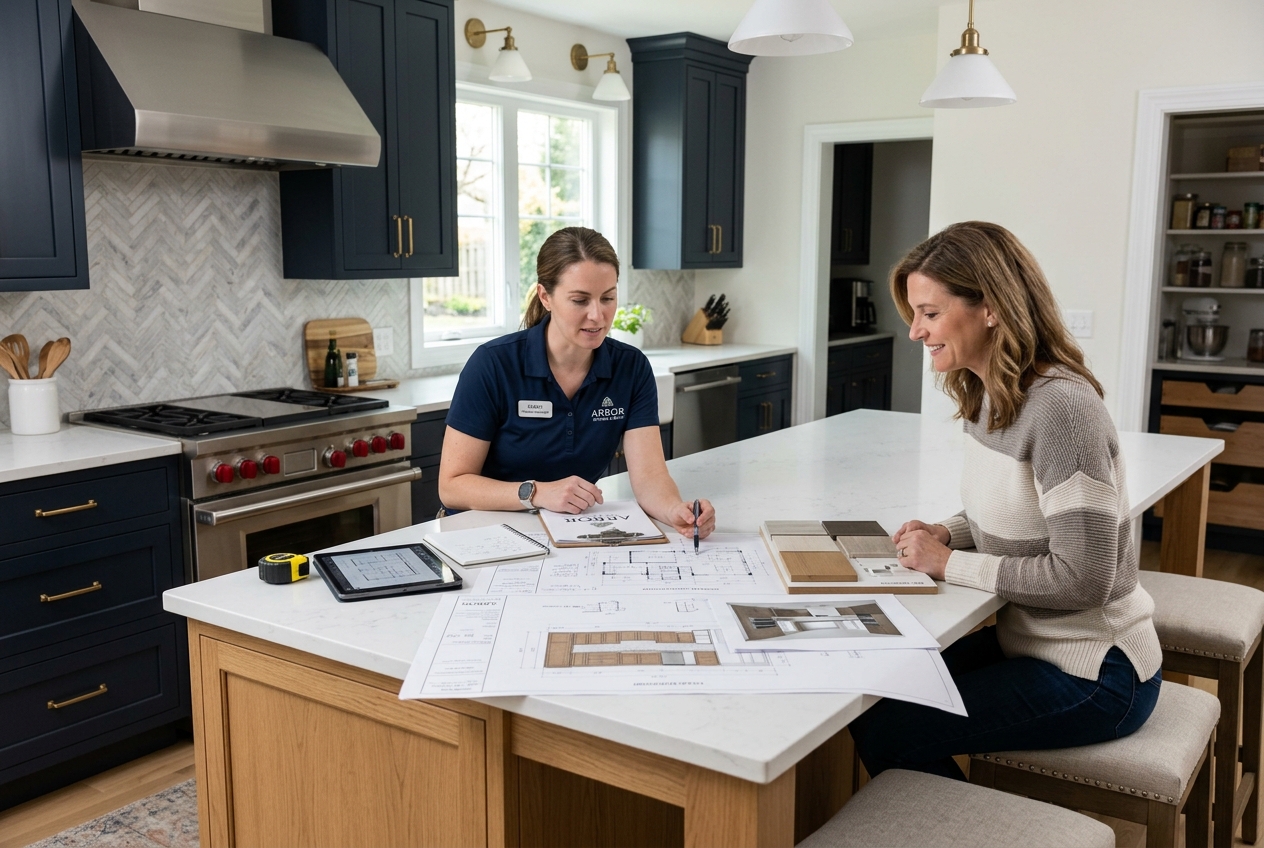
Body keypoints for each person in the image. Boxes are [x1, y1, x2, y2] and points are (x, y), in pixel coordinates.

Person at [849, 221, 1162, 780]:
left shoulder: (1061, 408)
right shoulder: (991, 394)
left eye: (930, 312)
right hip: (1032, 646)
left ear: (990, 309)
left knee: (887, 729)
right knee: (871, 693)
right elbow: (1016, 513)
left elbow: (1083, 577)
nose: (916, 332)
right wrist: (949, 531)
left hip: (1096, 671)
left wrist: (948, 563)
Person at [438, 226, 716, 539]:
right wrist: (536, 493)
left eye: (607, 298)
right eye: (580, 300)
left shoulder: (631, 367)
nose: (597, 315)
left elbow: (650, 476)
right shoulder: (493, 364)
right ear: (546, 296)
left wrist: (675, 510)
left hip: (566, 532)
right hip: (482, 533)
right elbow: (452, 486)